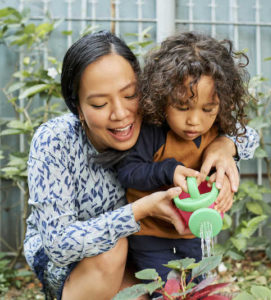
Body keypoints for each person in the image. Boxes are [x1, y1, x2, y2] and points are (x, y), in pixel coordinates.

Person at [23, 30, 258, 300]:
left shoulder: (161, 111)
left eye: (130, 95)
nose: (120, 114)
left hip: (143, 252)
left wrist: (225, 146)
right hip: (79, 263)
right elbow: (58, 245)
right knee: (113, 251)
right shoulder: (55, 141)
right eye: (99, 103)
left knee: (176, 288)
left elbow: (241, 130)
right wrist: (140, 210)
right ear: (77, 107)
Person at [117, 31, 259, 284]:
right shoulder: (153, 132)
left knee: (196, 286)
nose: (195, 120)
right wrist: (168, 170)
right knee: (167, 290)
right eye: (182, 107)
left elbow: (249, 138)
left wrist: (223, 183)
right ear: (162, 97)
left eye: (208, 109)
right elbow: (128, 172)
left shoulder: (218, 131)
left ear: (222, 104)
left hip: (195, 233)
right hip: (151, 235)